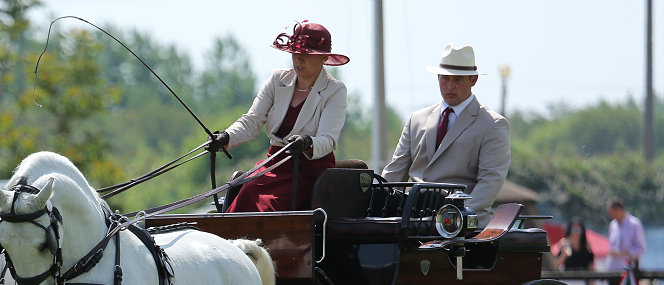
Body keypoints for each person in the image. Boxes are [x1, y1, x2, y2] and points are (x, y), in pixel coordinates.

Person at [206, 21, 349, 212]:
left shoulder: (335, 90)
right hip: (273, 165)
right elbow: (252, 120)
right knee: (246, 193)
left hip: (309, 172)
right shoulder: (276, 80)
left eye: (306, 54)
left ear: (323, 57)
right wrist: (226, 137)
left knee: (269, 208)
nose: (298, 59)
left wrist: (307, 142)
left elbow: (328, 140)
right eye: (295, 53)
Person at [381, 44, 510, 228]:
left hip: (463, 226)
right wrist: (375, 200)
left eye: (458, 79)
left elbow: (490, 182)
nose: (450, 86)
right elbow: (393, 175)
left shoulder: (493, 125)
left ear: (473, 80)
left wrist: (454, 218)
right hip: (413, 222)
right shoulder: (416, 119)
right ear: (438, 78)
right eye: (445, 78)